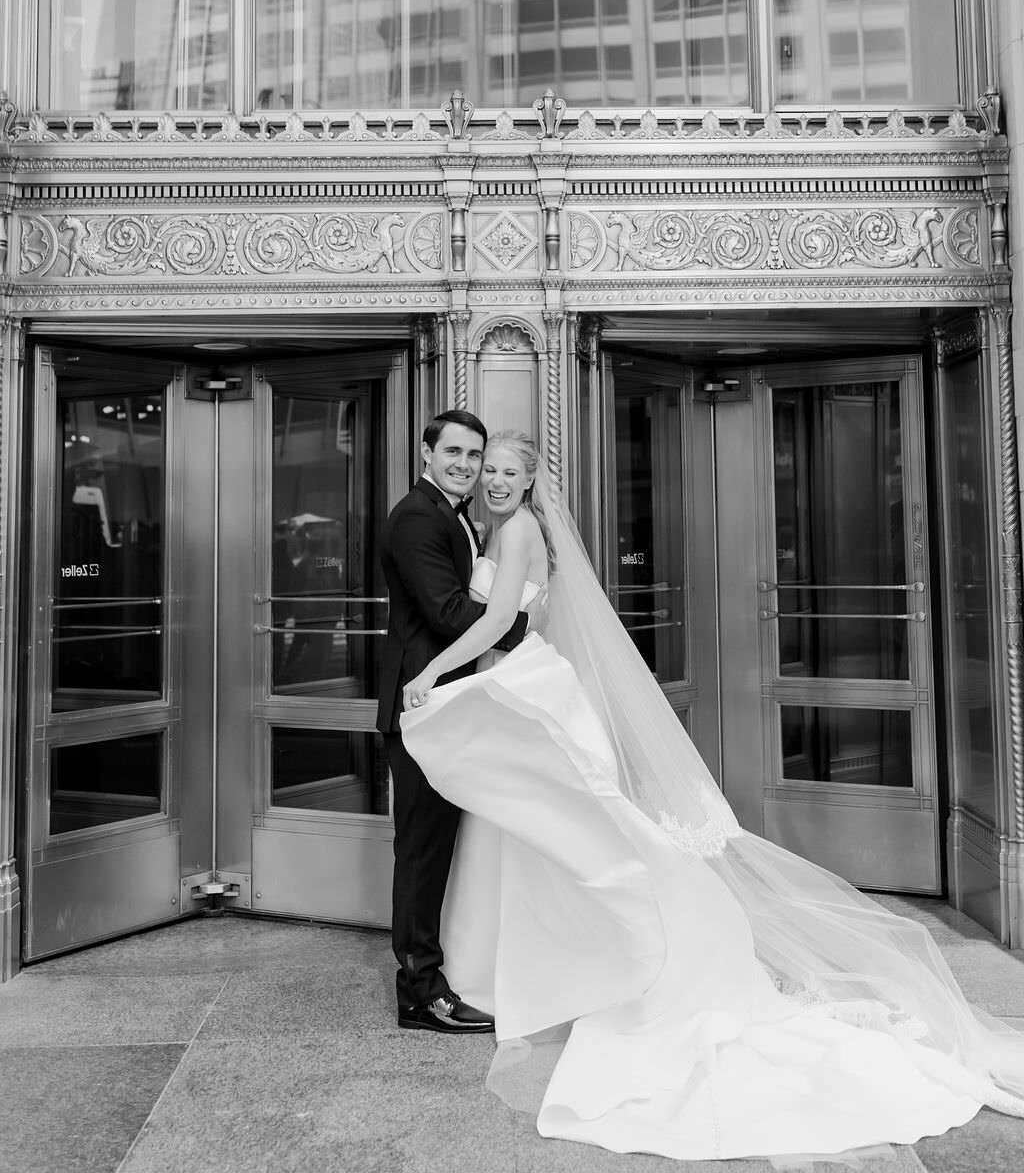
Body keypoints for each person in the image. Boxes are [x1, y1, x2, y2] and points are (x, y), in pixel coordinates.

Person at [400, 430, 1024, 1163]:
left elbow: (500, 620)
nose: (495, 480)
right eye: (488, 469)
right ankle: (533, 966)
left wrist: (430, 674)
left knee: (566, 831)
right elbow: (527, 618)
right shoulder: (500, 529)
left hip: (527, 685)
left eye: (508, 470)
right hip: (530, 682)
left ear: (533, 482)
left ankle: (590, 962)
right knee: (540, 832)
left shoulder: (519, 528)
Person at [377, 409, 538, 1035]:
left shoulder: (459, 516)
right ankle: (419, 992)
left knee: (441, 842)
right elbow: (448, 612)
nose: (466, 466)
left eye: (475, 456)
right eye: (455, 453)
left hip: (449, 699)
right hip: (423, 704)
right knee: (420, 849)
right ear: (426, 452)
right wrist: (519, 622)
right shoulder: (418, 516)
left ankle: (437, 975)